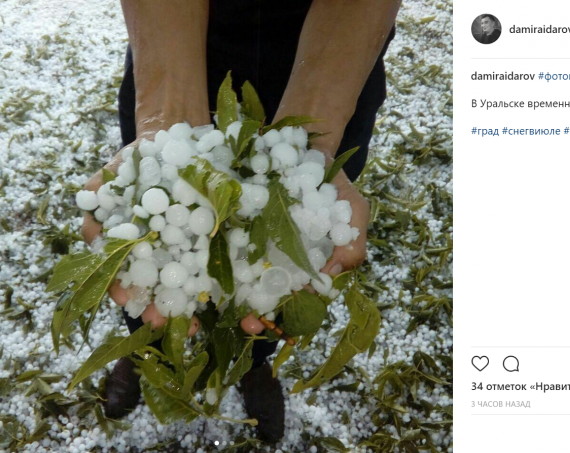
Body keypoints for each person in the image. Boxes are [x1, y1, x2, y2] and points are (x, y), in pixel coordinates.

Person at [80, 0, 400, 443]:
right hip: (174, 39)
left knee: (274, 286)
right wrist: (164, 115)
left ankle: (254, 362)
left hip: (337, 60)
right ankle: (147, 349)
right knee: (145, 266)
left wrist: (316, 138)